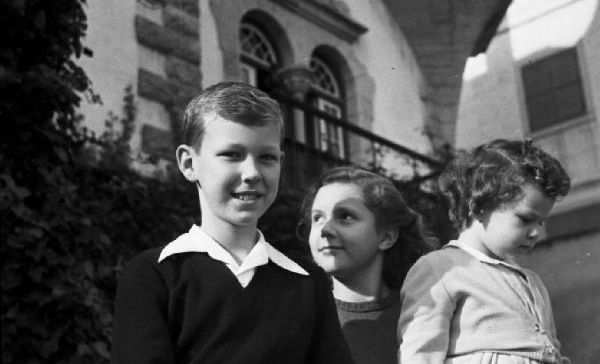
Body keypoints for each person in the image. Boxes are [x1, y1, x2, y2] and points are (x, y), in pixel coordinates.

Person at [111, 82, 355, 364]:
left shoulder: (307, 282)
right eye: (232, 155)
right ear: (189, 164)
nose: (251, 173)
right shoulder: (154, 275)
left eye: (266, 158)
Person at [398, 139, 571, 364]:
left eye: (540, 222)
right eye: (526, 219)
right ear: (478, 206)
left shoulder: (532, 282)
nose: (536, 232)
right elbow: (420, 355)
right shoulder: (440, 269)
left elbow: (551, 350)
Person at [299, 166, 433, 364]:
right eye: (317, 218)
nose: (325, 229)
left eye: (345, 216)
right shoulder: (296, 318)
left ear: (386, 236)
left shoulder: (425, 316)